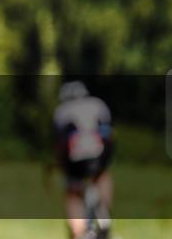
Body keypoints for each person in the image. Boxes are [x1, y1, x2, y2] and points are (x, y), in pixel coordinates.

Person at [53, 81, 114, 239]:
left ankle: (79, 231)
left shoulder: (61, 111)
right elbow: (108, 134)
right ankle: (103, 210)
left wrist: (61, 165)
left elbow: (60, 143)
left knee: (73, 192)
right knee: (102, 176)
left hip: (75, 157)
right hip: (100, 152)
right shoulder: (98, 104)